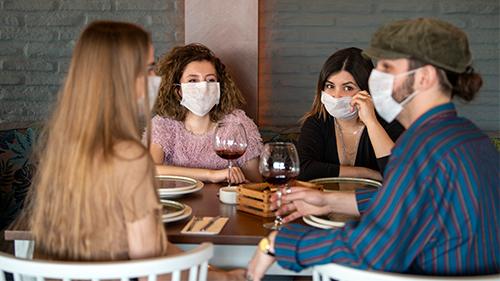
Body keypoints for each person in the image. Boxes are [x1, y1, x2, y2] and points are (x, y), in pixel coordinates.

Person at [247, 18, 499, 280]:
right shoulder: (469, 139)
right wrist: (330, 200)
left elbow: (374, 249)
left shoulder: (422, 151)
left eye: (387, 68)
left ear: (424, 77)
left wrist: (279, 243)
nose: (377, 79)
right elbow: (414, 202)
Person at [24, 20, 243, 280]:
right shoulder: (128, 155)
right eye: (150, 68)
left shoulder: (65, 146)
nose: (156, 78)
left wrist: (212, 271)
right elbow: (151, 265)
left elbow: (145, 249)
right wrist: (224, 277)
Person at [148, 43, 263, 184]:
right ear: (178, 91)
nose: (203, 87)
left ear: (220, 87)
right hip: (177, 205)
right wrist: (211, 175)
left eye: (210, 80)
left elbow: (257, 182)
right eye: (193, 80)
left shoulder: (237, 123)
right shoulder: (164, 124)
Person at [297, 47, 404, 182]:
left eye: (348, 88)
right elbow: (302, 169)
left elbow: (398, 174)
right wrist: (367, 173)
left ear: (366, 90)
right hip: (327, 201)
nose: (336, 95)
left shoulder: (388, 124)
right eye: (330, 86)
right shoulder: (318, 122)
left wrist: (371, 122)